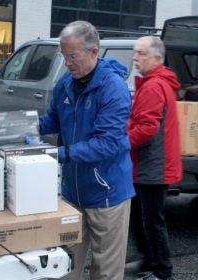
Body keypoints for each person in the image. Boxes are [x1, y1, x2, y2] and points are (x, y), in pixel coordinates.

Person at [29, 20, 135, 280]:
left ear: (94, 52)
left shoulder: (113, 89)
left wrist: (59, 155)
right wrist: (24, 125)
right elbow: (52, 120)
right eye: (64, 56)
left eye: (73, 56)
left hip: (106, 193)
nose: (67, 63)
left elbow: (108, 143)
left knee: (105, 272)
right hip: (72, 193)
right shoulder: (65, 83)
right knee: (65, 266)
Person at [127, 36, 183, 280]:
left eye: (141, 53)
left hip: (153, 166)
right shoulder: (157, 83)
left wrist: (118, 143)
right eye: (135, 52)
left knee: (151, 221)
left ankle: (162, 272)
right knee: (141, 217)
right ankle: (148, 260)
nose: (135, 58)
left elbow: (147, 128)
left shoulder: (152, 86)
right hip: (152, 163)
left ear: (157, 58)